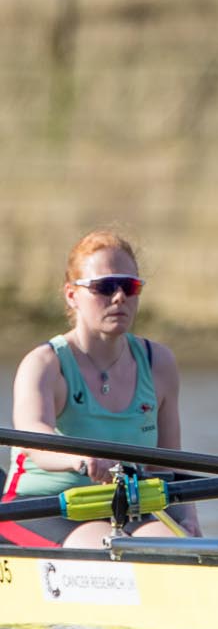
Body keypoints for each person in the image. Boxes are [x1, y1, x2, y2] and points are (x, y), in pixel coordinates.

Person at [3, 229, 195, 547]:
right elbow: (35, 440)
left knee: (182, 546)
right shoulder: (45, 364)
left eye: (129, 287)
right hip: (42, 506)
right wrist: (80, 459)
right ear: (71, 295)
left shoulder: (158, 363)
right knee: (109, 550)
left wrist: (188, 518)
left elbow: (168, 463)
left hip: (124, 506)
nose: (119, 297)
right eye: (104, 287)